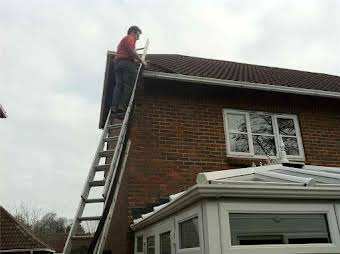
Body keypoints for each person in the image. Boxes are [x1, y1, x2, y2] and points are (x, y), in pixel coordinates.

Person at [111, 26, 147, 114]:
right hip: (126, 64)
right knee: (128, 85)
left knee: (119, 86)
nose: (138, 38)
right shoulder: (130, 38)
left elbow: (128, 53)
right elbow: (132, 51)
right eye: (138, 35)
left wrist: (135, 60)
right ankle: (122, 106)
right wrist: (142, 61)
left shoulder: (123, 41)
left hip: (118, 64)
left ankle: (114, 107)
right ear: (133, 32)